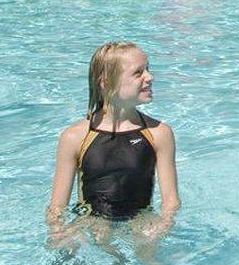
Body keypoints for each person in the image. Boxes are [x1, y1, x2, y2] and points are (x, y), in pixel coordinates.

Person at [46, 41, 179, 234]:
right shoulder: (74, 137)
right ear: (107, 81)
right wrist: (58, 232)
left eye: (148, 69)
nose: (150, 77)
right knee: (95, 238)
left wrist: (163, 225)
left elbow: (171, 201)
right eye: (138, 72)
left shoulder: (159, 133)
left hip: (141, 222)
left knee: (148, 252)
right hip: (92, 223)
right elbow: (57, 207)